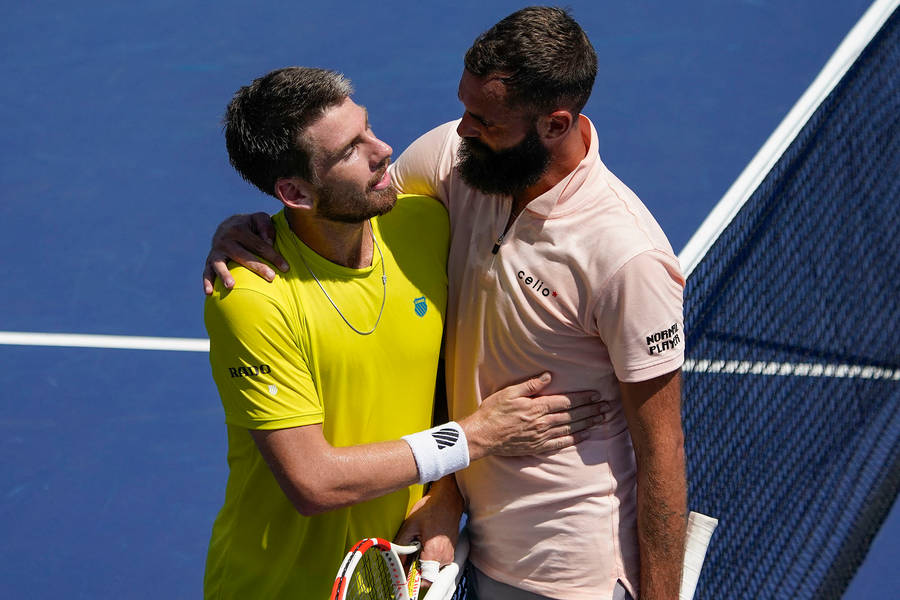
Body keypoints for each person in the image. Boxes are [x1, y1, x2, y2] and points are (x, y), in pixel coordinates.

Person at [204, 7, 688, 599]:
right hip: (454, 550)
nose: (458, 130)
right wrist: (246, 230)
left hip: (567, 571)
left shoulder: (624, 258)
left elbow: (663, 456)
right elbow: (332, 207)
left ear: (555, 124)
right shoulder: (448, 177)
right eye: (464, 108)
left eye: (484, 120)